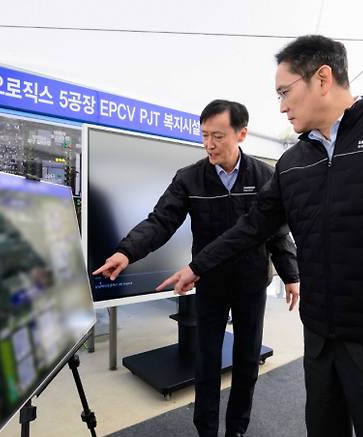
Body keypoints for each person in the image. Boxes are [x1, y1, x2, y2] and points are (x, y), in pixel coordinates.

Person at [157, 35, 363, 437]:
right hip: (322, 341)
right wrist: (197, 266)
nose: (281, 106)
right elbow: (254, 225)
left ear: (323, 78)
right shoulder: (294, 162)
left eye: (285, 92)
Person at [93, 99, 300, 437]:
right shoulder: (190, 178)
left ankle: (236, 429)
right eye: (204, 135)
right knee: (205, 362)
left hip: (250, 284)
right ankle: (206, 430)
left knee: (247, 362)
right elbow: (161, 221)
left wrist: (290, 275)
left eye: (217, 136)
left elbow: (276, 230)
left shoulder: (265, 176)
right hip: (209, 285)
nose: (209, 144)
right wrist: (126, 252)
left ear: (241, 133)